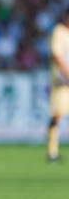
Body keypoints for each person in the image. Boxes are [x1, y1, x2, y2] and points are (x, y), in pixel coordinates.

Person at [45, 8, 69, 162]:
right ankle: (52, 152)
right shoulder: (59, 31)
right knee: (57, 115)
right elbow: (57, 56)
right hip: (62, 81)